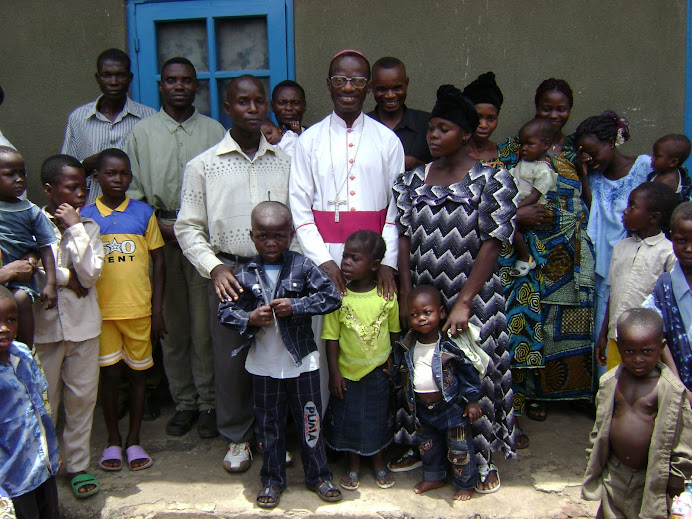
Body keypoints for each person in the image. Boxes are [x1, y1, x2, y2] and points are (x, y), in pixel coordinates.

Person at [394, 84, 518, 493]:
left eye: (443, 128)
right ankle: (429, 452)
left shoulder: (493, 179)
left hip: (475, 295)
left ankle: (480, 462)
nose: (432, 135)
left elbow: (493, 242)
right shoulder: (411, 182)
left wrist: (464, 302)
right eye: (430, 128)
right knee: (425, 374)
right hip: (425, 298)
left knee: (474, 376)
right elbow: (406, 241)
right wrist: (408, 297)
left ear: (465, 134)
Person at [175, 75, 291, 474]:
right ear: (228, 108)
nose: (253, 108)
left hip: (278, 270)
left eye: (259, 101)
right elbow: (187, 227)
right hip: (230, 272)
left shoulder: (285, 161)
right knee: (231, 359)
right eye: (243, 101)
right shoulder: (203, 166)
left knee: (276, 353)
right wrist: (215, 266)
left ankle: (270, 432)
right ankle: (237, 437)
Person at [289, 49, 404, 411]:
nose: (348, 88)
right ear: (329, 85)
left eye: (356, 81)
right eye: (340, 80)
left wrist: (386, 262)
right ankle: (323, 427)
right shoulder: (309, 141)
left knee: (370, 338)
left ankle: (368, 429)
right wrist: (324, 261)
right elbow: (299, 207)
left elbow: (395, 209)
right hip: (322, 257)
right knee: (325, 340)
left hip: (372, 262)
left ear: (368, 87)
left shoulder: (387, 140)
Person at [126, 57, 226, 438]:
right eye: (172, 80)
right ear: (161, 86)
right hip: (159, 240)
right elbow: (132, 194)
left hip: (203, 240)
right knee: (174, 326)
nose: (179, 86)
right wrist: (163, 230)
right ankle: (183, 401)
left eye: (187, 81)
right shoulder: (142, 133)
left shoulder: (214, 130)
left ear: (196, 87)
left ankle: (208, 403)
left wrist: (191, 232)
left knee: (205, 326)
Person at [218, 201, 342, 508]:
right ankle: (272, 480)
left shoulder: (302, 265)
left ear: (290, 235)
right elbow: (225, 311)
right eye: (263, 236)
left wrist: (296, 306)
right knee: (269, 425)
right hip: (263, 366)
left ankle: (319, 476)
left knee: (310, 420)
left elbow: (332, 297)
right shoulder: (245, 273)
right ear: (252, 236)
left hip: (303, 363)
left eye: (278, 236)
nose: (271, 243)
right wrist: (249, 319)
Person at [497, 79, 595, 436]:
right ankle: (528, 395)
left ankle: (553, 395)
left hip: (567, 253)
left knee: (562, 323)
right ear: (535, 106)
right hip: (528, 248)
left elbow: (586, 196)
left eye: (561, 109)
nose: (554, 115)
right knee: (527, 319)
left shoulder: (576, 149)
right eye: (547, 108)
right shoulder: (517, 146)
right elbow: (500, 185)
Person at [80, 148, 165, 472]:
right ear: (97, 177)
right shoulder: (86, 214)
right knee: (110, 377)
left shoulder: (143, 213)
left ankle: (134, 440)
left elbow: (159, 261)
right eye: (111, 173)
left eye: (124, 173)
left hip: (139, 311)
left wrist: (157, 310)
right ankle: (113, 440)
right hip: (101, 313)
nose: (118, 179)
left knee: (139, 375)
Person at [33, 155, 104, 499]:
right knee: (45, 402)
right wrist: (64, 277)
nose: (80, 194)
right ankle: (44, 466)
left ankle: (76, 465)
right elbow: (28, 270)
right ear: (49, 190)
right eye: (71, 187)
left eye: (83, 187)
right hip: (43, 330)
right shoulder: (31, 223)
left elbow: (90, 275)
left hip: (84, 328)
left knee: (81, 400)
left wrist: (75, 227)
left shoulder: (89, 226)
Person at [582, 308, 692, 519]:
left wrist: (676, 480)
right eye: (629, 352)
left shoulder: (671, 390)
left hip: (652, 477)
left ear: (660, 347)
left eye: (647, 351)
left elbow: (683, 439)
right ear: (619, 347)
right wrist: (593, 455)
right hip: (614, 473)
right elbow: (601, 424)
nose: (638, 359)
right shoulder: (611, 383)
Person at [322, 230, 400, 491]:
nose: (345, 262)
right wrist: (334, 374)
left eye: (354, 258)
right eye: (345, 256)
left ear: (374, 265)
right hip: (347, 373)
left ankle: (378, 463)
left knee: (377, 417)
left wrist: (395, 362)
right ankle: (353, 465)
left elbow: (395, 331)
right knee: (350, 419)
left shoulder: (386, 296)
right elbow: (331, 338)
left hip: (379, 372)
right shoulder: (339, 297)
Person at [577, 111, 652, 378]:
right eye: (584, 155)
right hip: (605, 269)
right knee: (605, 335)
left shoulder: (644, 167)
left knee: (639, 332)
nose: (590, 159)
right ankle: (608, 397)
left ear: (611, 142)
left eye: (593, 153)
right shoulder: (595, 178)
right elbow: (591, 212)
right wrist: (584, 173)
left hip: (640, 266)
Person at [392, 285, 484, 501]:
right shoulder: (408, 344)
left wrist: (472, 401)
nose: (421, 319)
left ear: (441, 313)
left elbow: (468, 372)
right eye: (414, 314)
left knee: (460, 448)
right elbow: (401, 368)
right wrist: (393, 376)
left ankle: (465, 483)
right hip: (422, 409)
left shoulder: (449, 345)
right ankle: (434, 477)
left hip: (451, 408)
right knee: (428, 447)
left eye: (427, 312)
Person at [595, 182, 677, 371]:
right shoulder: (621, 247)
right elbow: (613, 294)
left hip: (648, 344)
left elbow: (669, 303)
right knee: (617, 388)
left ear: (653, 218)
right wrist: (603, 336)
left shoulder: (667, 252)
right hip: (617, 339)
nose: (625, 211)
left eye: (633, 206)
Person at [62, 48, 156, 204]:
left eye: (120, 75)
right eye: (107, 75)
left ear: (130, 78)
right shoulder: (79, 118)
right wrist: (87, 164)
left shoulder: (149, 117)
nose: (114, 82)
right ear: (98, 78)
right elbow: (66, 172)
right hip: (90, 209)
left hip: (135, 210)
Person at [0, 285, 60, 519]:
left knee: (50, 512)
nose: (4, 328)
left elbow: (40, 407)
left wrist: (52, 452)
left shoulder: (23, 354)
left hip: (42, 466)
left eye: (11, 320)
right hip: (11, 477)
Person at [0, 146, 58, 347]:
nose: (19, 179)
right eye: (10, 174)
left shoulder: (30, 210)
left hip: (19, 278)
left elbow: (45, 247)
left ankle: (26, 350)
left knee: (22, 299)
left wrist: (51, 284)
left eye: (22, 173)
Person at [644, 201, 692, 393]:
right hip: (681, 384)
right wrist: (677, 385)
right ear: (671, 238)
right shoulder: (665, 286)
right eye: (681, 241)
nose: (689, 248)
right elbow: (656, 334)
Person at [508, 118, 556, 277]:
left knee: (511, 225)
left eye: (530, 144)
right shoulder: (524, 161)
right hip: (516, 203)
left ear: (546, 144)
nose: (524, 149)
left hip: (528, 207)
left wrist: (515, 209)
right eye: (522, 144)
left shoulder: (543, 171)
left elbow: (535, 195)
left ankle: (525, 257)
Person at [367, 57, 432, 170]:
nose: (390, 95)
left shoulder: (427, 124)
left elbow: (444, 171)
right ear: (371, 87)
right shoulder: (361, 127)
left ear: (406, 84)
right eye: (382, 89)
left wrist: (418, 166)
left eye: (397, 88)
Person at [462, 72, 504, 164]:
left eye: (491, 118)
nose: (483, 125)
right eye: (477, 117)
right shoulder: (452, 153)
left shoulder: (506, 156)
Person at [648, 134, 692, 203]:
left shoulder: (666, 182)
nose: (652, 158)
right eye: (653, 154)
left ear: (673, 162)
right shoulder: (664, 172)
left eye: (657, 156)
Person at [270, 80, 307, 156]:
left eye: (295, 103)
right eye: (282, 103)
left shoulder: (313, 137)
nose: (288, 108)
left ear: (304, 106)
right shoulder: (266, 139)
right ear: (272, 106)